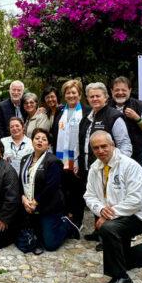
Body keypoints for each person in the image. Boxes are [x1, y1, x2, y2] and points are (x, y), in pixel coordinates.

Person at [84, 131, 142, 283]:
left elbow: (136, 200)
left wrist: (108, 215)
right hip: (117, 215)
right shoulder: (95, 168)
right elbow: (89, 195)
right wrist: (100, 210)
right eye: (96, 148)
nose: (100, 151)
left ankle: (122, 278)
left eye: (104, 146)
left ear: (112, 144)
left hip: (139, 215)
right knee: (123, 259)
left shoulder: (130, 166)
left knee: (108, 228)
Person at [78, 82, 133, 244]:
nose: (95, 99)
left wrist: (119, 165)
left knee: (109, 200)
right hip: (90, 166)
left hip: (109, 168)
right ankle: (99, 230)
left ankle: (108, 236)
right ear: (87, 98)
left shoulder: (113, 116)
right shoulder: (87, 118)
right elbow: (80, 143)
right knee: (96, 198)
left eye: (98, 96)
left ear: (106, 98)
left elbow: (125, 144)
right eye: (91, 96)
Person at [18, 128, 80, 251]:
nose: (40, 141)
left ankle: (66, 225)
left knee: (50, 245)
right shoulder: (25, 160)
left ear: (48, 145)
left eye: (44, 139)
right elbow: (20, 181)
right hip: (29, 206)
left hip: (48, 207)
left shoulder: (53, 161)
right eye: (37, 138)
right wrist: (24, 199)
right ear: (32, 141)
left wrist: (35, 202)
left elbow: (51, 187)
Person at [50, 80, 91, 228]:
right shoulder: (60, 111)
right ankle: (65, 217)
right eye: (68, 93)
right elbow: (55, 134)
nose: (71, 95)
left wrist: (80, 161)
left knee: (77, 190)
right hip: (61, 159)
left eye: (74, 92)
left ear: (80, 94)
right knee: (63, 190)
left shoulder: (87, 111)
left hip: (77, 159)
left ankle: (78, 219)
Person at [109, 76, 142, 166]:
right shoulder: (106, 107)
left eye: (124, 90)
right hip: (110, 156)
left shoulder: (139, 106)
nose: (120, 93)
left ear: (130, 90)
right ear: (111, 91)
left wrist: (138, 119)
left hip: (135, 157)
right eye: (117, 90)